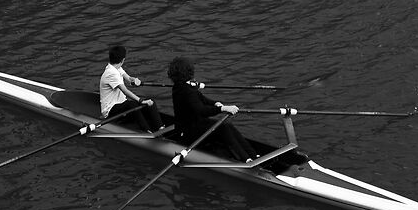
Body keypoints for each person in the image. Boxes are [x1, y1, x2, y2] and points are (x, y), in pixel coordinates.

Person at [166, 57, 307, 172]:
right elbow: (201, 110)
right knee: (223, 127)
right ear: (188, 72)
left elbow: (202, 99)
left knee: (227, 126)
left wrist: (216, 104)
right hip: (188, 132)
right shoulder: (185, 90)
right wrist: (223, 109)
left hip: (194, 124)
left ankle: (253, 155)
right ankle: (247, 160)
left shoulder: (183, 87)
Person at [99, 45, 163, 133]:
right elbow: (124, 90)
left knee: (150, 101)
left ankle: (161, 128)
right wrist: (141, 101)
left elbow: (128, 78)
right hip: (110, 110)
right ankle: (147, 131)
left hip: (122, 105)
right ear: (123, 60)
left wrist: (134, 80)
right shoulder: (111, 73)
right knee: (132, 104)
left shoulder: (117, 68)